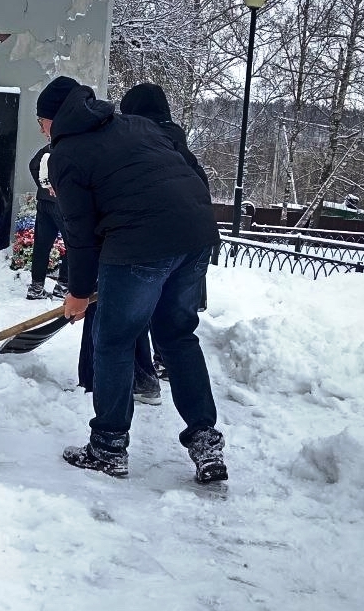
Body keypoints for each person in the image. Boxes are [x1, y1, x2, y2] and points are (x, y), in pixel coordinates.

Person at [36, 75, 226, 483]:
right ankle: (205, 440)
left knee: (115, 340)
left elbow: (79, 234)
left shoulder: (66, 154)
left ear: (54, 119)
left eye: (41, 122)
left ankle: (107, 446)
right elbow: (185, 171)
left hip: (140, 245)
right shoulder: (135, 125)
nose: (42, 131)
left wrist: (79, 293)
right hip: (195, 236)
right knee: (177, 337)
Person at [119, 82, 212, 379]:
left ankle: (143, 376)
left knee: (135, 313)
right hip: (197, 240)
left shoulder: (140, 145)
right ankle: (167, 362)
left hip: (151, 242)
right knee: (177, 325)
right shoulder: (181, 146)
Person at [26, 142, 69, 300]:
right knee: (72, 243)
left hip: (44, 202)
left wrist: (43, 187)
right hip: (62, 203)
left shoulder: (49, 147)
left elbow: (33, 165)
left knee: (41, 246)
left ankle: (36, 287)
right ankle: (63, 286)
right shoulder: (71, 147)